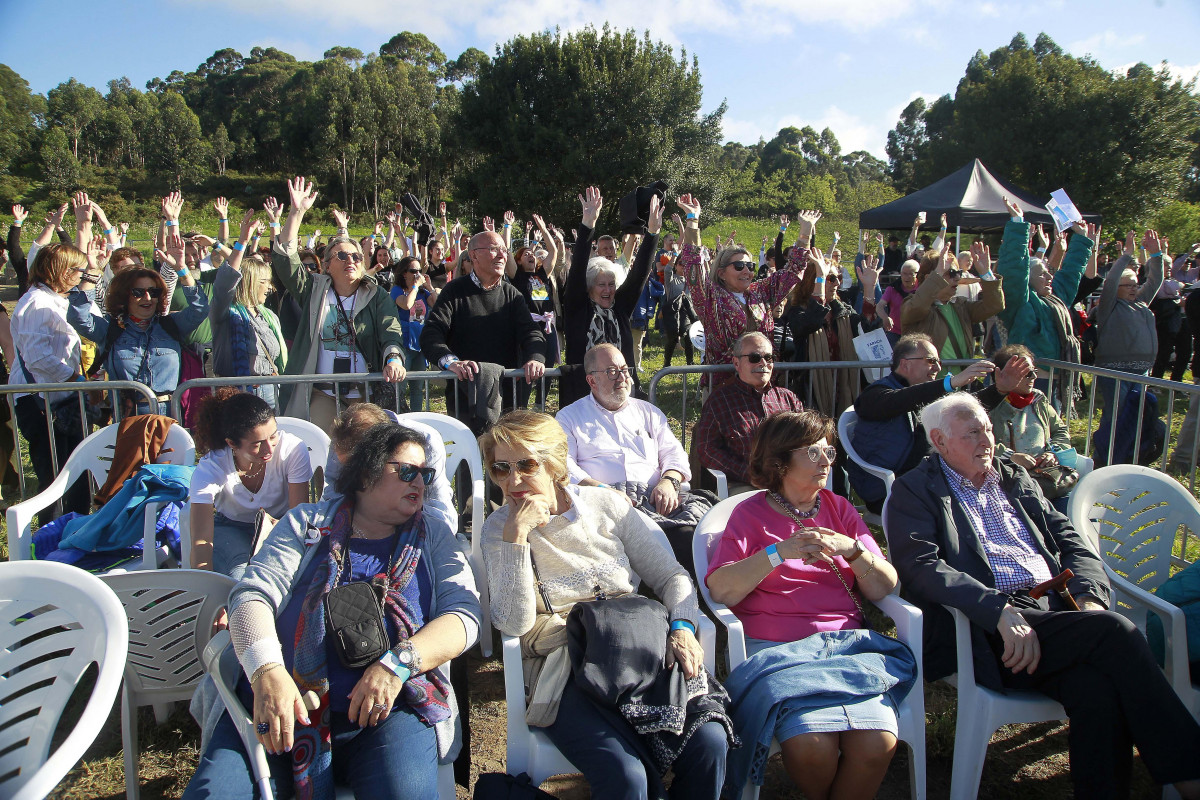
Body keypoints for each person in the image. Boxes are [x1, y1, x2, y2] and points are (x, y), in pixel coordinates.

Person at [886, 392, 1200, 800]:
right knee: (1115, 633)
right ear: (940, 441)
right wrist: (996, 609)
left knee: (1095, 690)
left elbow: (1070, 539)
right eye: (972, 434)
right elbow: (920, 566)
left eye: (988, 429)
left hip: (1055, 615)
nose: (987, 440)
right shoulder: (916, 490)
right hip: (986, 629)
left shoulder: (1011, 476)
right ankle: (1191, 775)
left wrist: (1088, 598)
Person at [184, 423, 481, 800]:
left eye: (426, 474)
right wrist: (267, 673)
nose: (419, 482)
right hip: (282, 705)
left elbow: (465, 616)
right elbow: (250, 596)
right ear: (366, 473)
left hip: (389, 712)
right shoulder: (306, 523)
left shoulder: (434, 535)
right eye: (407, 471)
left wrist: (397, 664)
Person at [479, 410, 730, 800]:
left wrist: (682, 627)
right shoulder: (500, 529)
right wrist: (516, 537)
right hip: (565, 667)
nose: (513, 481)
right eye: (500, 468)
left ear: (554, 464)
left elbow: (672, 577)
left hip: (639, 648)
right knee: (626, 775)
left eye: (526, 465)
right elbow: (513, 623)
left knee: (709, 745)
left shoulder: (606, 506)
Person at [706, 410, 912, 799]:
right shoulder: (748, 515)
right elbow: (721, 590)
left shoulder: (840, 509)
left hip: (848, 648)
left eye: (829, 451)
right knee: (812, 750)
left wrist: (850, 550)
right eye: (814, 452)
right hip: (780, 651)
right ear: (780, 461)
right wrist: (777, 553)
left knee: (876, 746)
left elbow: (887, 586)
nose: (826, 461)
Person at [556, 344, 710, 571]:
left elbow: (673, 453)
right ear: (592, 381)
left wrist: (669, 481)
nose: (621, 377)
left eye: (624, 369)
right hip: (601, 504)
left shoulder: (649, 412)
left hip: (654, 501)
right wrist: (601, 490)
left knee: (687, 538)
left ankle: (685, 600)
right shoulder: (569, 417)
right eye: (611, 371)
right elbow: (563, 464)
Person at [270, 176, 407, 431]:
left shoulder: (376, 295)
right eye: (342, 255)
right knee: (321, 453)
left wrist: (394, 358)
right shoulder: (313, 290)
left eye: (356, 255)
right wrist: (296, 213)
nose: (351, 260)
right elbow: (285, 259)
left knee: (364, 459)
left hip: (363, 393)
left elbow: (391, 331)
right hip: (323, 393)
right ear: (328, 264)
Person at [847, 333, 1028, 514]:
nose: (938, 367)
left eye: (939, 362)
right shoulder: (875, 395)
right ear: (905, 363)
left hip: (924, 481)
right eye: (931, 361)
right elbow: (903, 399)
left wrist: (999, 390)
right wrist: (950, 383)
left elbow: (963, 412)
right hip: (886, 489)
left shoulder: (926, 396)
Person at [418, 227, 545, 436]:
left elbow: (531, 333)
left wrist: (535, 358)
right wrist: (450, 361)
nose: (503, 255)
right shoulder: (454, 291)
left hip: (507, 399)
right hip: (465, 400)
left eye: (504, 250)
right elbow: (432, 332)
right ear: (474, 255)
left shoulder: (512, 295)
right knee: (470, 462)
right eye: (495, 249)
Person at [678, 195, 815, 375]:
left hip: (763, 381)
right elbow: (693, 263)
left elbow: (792, 272)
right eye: (739, 266)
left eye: (750, 266)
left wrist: (805, 233)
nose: (747, 271)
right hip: (725, 384)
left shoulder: (761, 293)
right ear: (721, 273)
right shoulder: (710, 297)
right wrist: (692, 221)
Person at [9, 236, 93, 520]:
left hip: (60, 400)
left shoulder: (52, 300)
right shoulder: (36, 303)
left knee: (75, 473)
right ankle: (48, 542)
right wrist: (76, 380)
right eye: (78, 270)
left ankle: (76, 531)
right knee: (54, 479)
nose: (82, 276)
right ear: (62, 271)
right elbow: (38, 358)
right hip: (41, 402)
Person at [188, 389, 312, 579]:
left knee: (280, 574)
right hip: (231, 527)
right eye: (257, 444)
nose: (269, 448)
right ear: (232, 443)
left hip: (281, 524)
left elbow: (298, 515)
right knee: (240, 576)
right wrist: (204, 591)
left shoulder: (292, 449)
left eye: (273, 436)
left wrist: (277, 528)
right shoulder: (211, 466)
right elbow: (201, 542)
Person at [560, 186, 661, 405]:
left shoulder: (620, 308)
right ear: (589, 288)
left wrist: (652, 233)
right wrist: (588, 224)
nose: (608, 290)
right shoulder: (578, 308)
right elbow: (577, 270)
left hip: (622, 394)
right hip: (584, 397)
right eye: (601, 285)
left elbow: (639, 274)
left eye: (612, 285)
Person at [694, 332, 804, 495]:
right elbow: (707, 449)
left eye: (769, 357)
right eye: (754, 357)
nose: (763, 363)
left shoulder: (788, 398)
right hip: (745, 486)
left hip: (792, 482)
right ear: (736, 363)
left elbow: (807, 440)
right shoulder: (720, 401)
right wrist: (750, 475)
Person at [321, 403, 455, 534]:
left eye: (407, 471)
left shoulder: (426, 440)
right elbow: (333, 493)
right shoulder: (343, 438)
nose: (358, 475)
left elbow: (441, 513)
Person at [1091, 229, 1165, 466]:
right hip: (1115, 372)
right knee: (1116, 416)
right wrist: (1126, 256)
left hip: (1141, 372)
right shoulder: (1109, 307)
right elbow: (1111, 281)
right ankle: (1104, 458)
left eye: (1135, 284)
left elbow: (1155, 281)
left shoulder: (1141, 304)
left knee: (1137, 417)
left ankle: (1129, 456)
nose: (1134, 288)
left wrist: (1156, 256)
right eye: (1128, 285)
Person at [209, 211, 287, 409]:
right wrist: (242, 242)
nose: (270, 287)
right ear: (250, 283)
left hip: (270, 391)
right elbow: (224, 284)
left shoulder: (268, 316)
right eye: (264, 282)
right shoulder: (226, 313)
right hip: (237, 394)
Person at [986, 344, 1073, 510]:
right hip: (1008, 482)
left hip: (1047, 478)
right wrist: (1010, 457)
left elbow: (1060, 431)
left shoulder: (1038, 399)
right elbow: (977, 443)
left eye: (1034, 371)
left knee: (1073, 510)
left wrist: (1052, 453)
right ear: (1002, 375)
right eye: (1026, 373)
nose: (1033, 377)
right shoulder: (989, 404)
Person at [900, 242, 1003, 363]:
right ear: (930, 278)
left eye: (958, 272)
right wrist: (937, 275)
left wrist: (986, 274)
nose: (957, 278)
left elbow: (994, 305)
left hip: (962, 381)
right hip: (929, 381)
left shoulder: (961, 306)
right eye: (950, 273)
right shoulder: (911, 305)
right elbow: (916, 307)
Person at [506, 214, 561, 407]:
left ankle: (540, 405)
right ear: (518, 261)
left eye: (532, 253)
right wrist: (508, 227)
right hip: (528, 327)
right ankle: (521, 405)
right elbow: (506, 251)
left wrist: (544, 229)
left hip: (547, 326)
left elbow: (553, 251)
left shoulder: (542, 274)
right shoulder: (517, 276)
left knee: (548, 368)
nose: (530, 255)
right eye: (525, 254)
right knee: (528, 367)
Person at [390, 256, 437, 411]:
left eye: (419, 271)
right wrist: (415, 287)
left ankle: (416, 414)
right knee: (401, 386)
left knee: (417, 386)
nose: (417, 274)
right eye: (413, 271)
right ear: (404, 273)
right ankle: (399, 415)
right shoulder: (397, 290)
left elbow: (437, 305)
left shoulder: (423, 292)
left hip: (419, 342)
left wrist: (429, 287)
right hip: (404, 343)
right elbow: (406, 304)